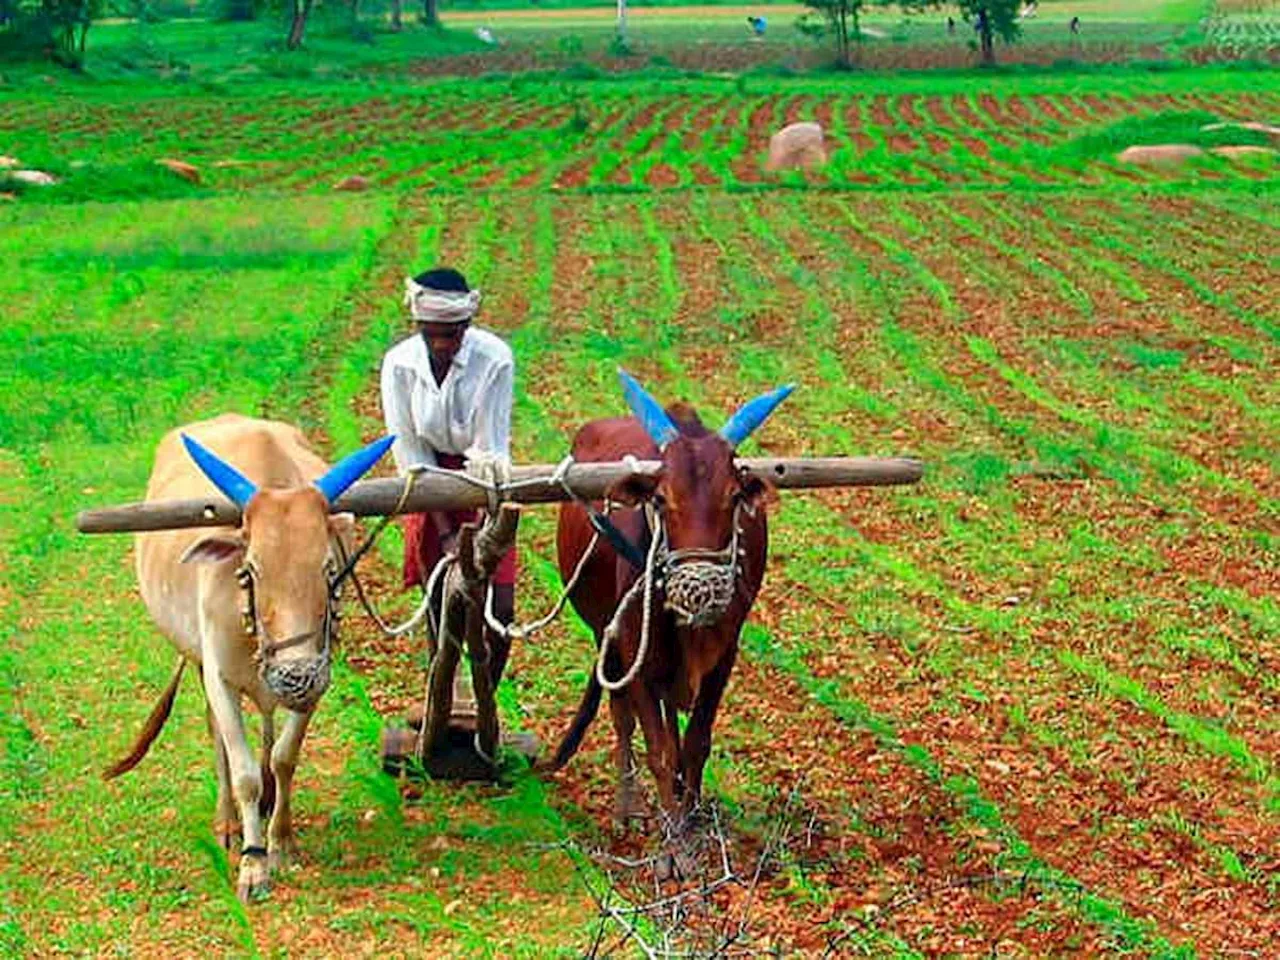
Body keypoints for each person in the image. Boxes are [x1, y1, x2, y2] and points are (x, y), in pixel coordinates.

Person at [380, 267, 517, 693]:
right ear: (419, 326)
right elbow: (410, 452)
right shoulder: (399, 364)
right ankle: (441, 693)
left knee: (501, 607)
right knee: (442, 597)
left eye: (453, 334)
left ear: (467, 325)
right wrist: (443, 535)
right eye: (433, 334)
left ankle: (483, 701)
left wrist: (484, 537)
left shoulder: (494, 358)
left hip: (485, 482)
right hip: (427, 485)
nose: (443, 344)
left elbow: (489, 448)